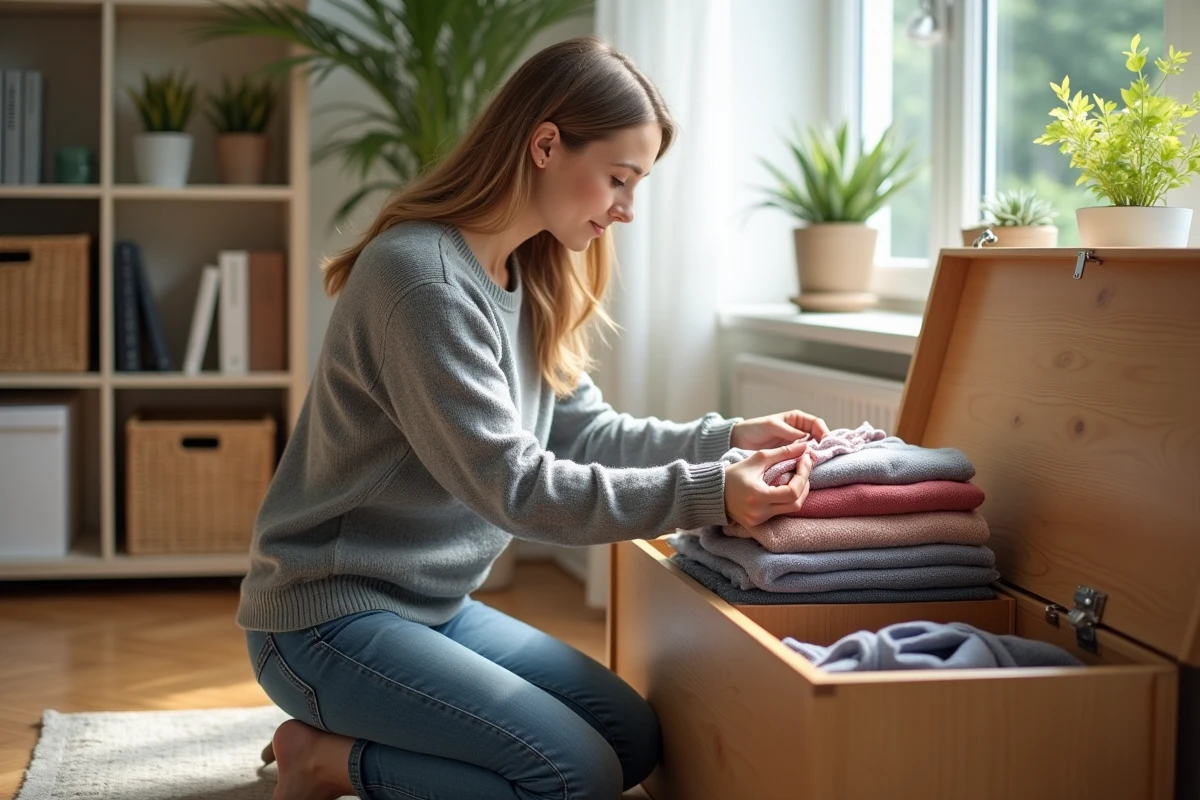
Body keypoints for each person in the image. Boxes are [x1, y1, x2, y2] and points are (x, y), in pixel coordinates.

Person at [239, 35, 828, 800]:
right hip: (324, 620)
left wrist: (730, 438)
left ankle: (355, 739)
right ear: (546, 144)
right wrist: (712, 490)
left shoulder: (532, 271)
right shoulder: (420, 279)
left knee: (633, 740)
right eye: (619, 178)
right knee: (569, 776)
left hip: (435, 608)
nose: (627, 210)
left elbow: (585, 432)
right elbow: (514, 487)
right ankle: (322, 760)